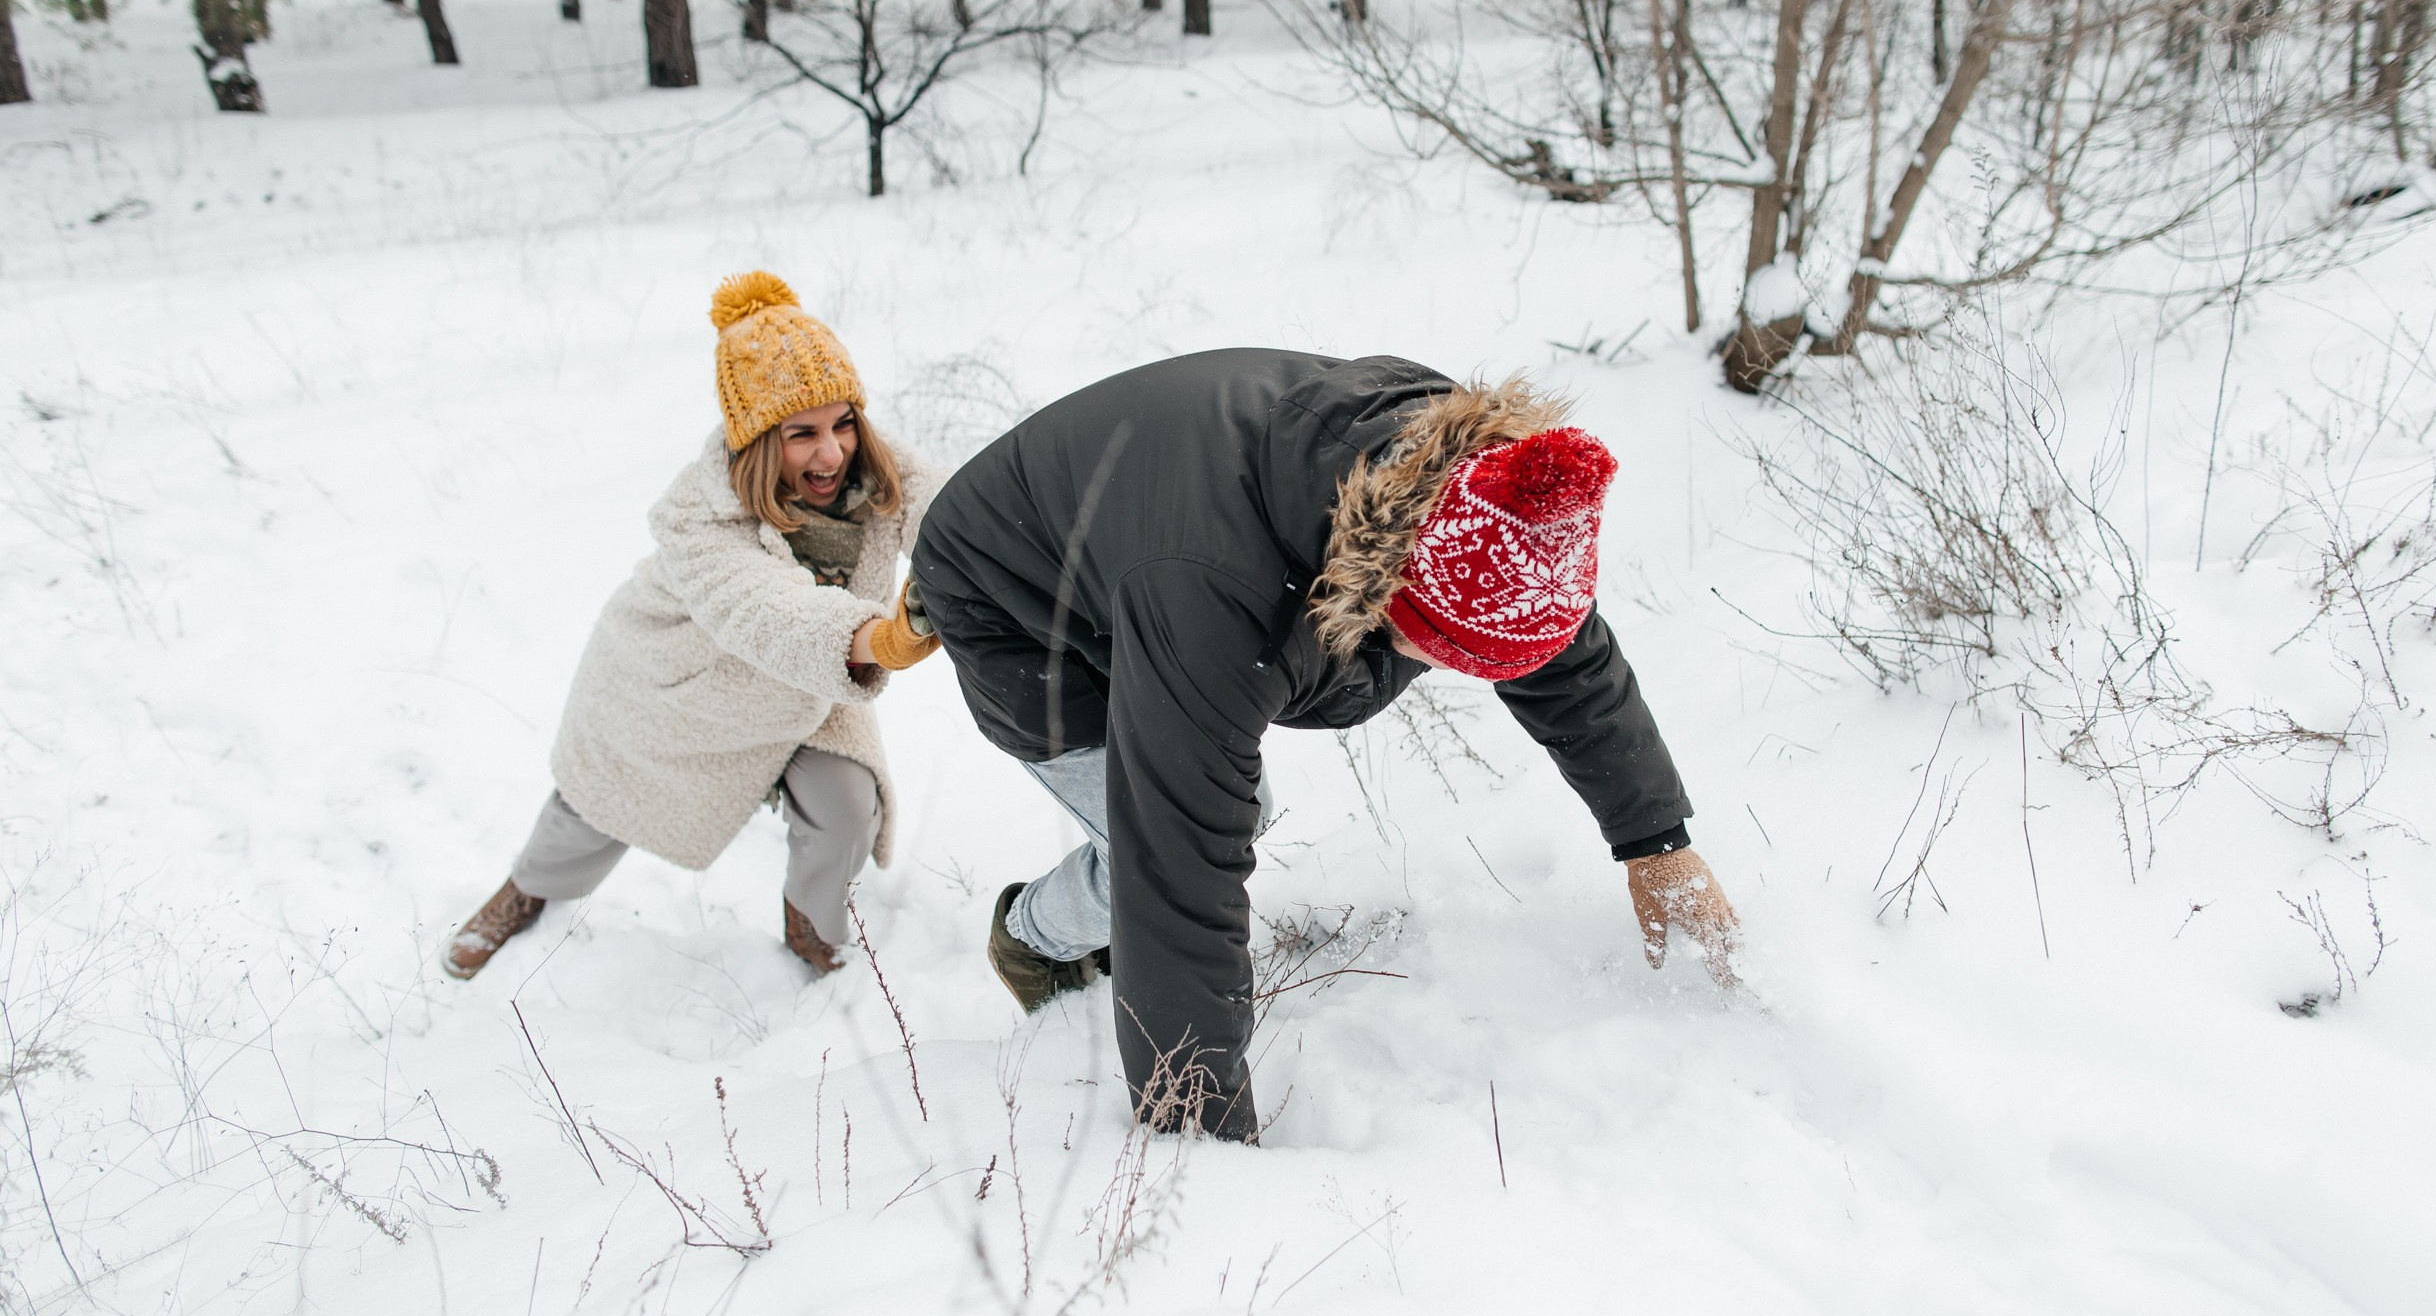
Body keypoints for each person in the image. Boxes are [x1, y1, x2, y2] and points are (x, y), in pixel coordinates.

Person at [909, 348, 1738, 1140]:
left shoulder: (1483, 500)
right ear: (1396, 588)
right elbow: (1180, 857)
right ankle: (1031, 939)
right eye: (1442, 654)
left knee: (1230, 802)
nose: (1452, 674)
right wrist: (1194, 1124)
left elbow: (1566, 662)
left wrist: (1655, 841)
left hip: (1134, 526)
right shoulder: (1216, 596)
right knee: (1157, 833)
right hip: (1012, 592)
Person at [442, 272, 941, 980]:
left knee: (846, 808)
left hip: (810, 693)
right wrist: (884, 639)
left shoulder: (876, 469)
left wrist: (1012, 549)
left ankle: (812, 925)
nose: (831, 453)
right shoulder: (695, 515)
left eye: (843, 422)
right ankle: (526, 888)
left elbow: (950, 507)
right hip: (685, 688)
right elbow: (765, 610)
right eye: (801, 434)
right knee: (597, 800)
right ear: (760, 439)